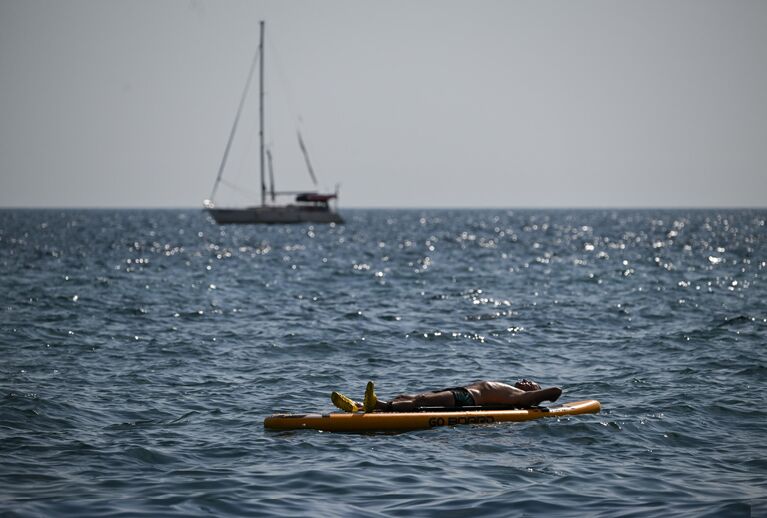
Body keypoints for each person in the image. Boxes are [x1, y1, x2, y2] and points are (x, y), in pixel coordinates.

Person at [331, 379, 562, 413]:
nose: (524, 380)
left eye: (529, 381)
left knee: (420, 402)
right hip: (460, 392)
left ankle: (378, 404)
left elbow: (555, 392)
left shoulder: (522, 397)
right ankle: (359, 407)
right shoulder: (515, 392)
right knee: (407, 395)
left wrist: (537, 395)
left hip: (467, 400)